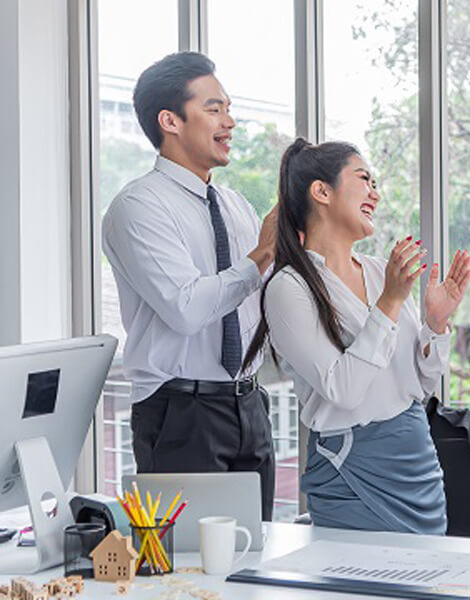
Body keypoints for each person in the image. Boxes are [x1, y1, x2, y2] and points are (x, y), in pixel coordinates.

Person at [242, 138, 470, 534]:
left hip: (416, 458)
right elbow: (343, 390)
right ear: (321, 191)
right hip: (350, 467)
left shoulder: (379, 270)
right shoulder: (289, 287)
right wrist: (390, 302)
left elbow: (419, 385)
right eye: (364, 179)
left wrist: (436, 324)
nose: (376, 194)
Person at [102, 52, 278, 519]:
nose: (230, 122)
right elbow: (186, 308)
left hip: (249, 405)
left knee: (251, 562)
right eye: (215, 109)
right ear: (170, 120)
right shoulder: (138, 207)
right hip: (181, 413)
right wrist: (260, 255)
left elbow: (258, 298)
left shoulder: (235, 204)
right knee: (185, 574)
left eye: (228, 108)